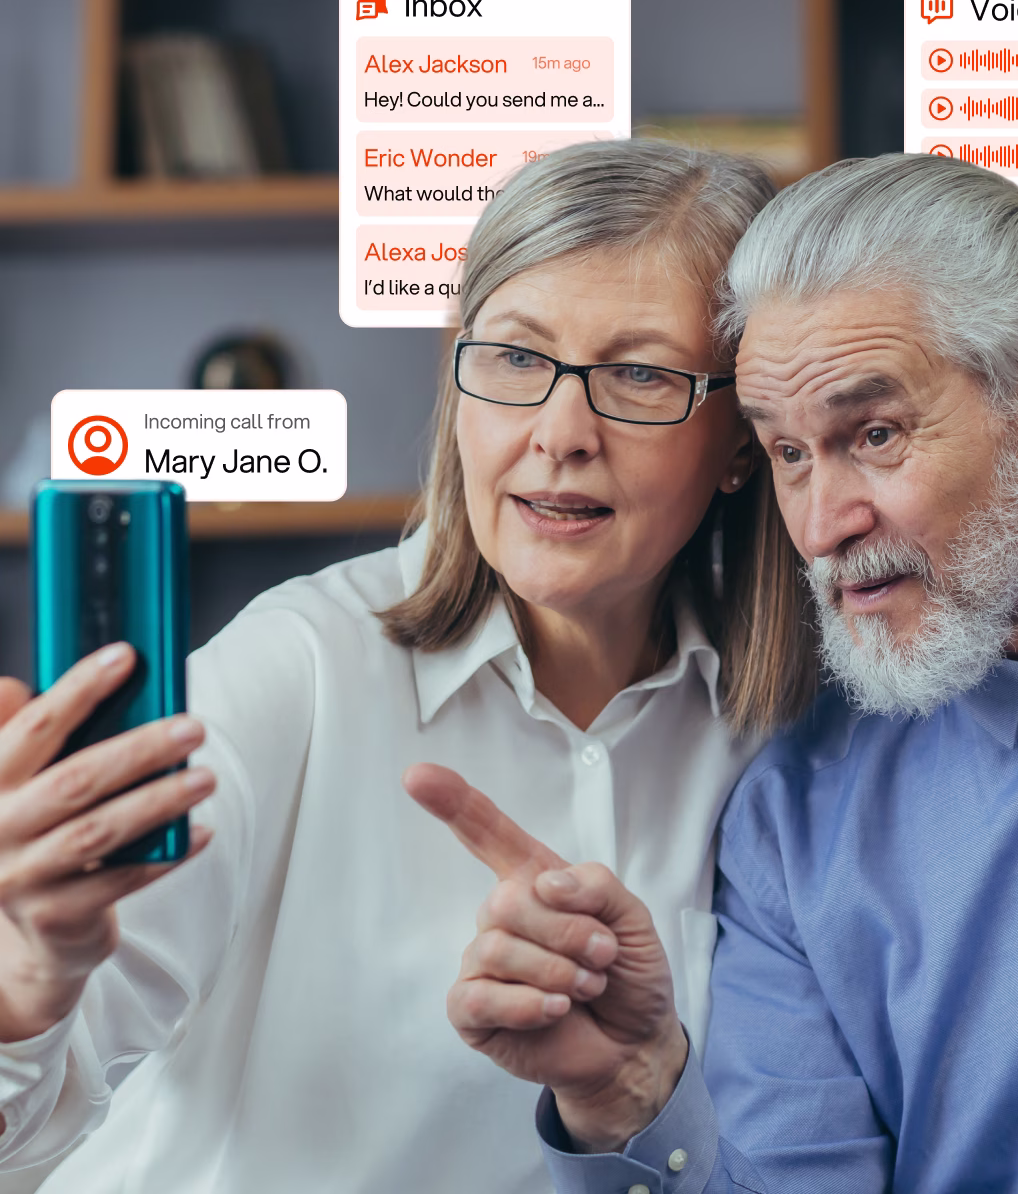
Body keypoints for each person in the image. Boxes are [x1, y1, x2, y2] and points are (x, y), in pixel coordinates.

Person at [0, 139, 815, 1193]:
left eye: (641, 374)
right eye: (517, 357)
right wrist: (27, 976)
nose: (560, 433)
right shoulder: (294, 670)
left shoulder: (781, 740)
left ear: (743, 438)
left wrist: (638, 1091)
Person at [408, 152, 1018, 1193]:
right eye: (787, 453)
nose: (822, 526)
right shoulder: (793, 819)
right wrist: (633, 1089)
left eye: (874, 433)